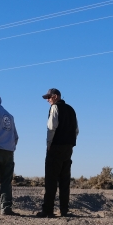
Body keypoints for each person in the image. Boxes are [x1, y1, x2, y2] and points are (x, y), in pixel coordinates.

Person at [37, 88, 78, 218]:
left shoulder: (55, 108)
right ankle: (64, 210)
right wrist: (70, 143)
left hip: (56, 147)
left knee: (51, 180)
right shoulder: (71, 109)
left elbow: (51, 127)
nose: (48, 100)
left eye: (49, 97)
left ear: (55, 96)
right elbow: (76, 129)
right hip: (68, 148)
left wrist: (49, 144)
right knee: (65, 180)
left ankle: (48, 210)